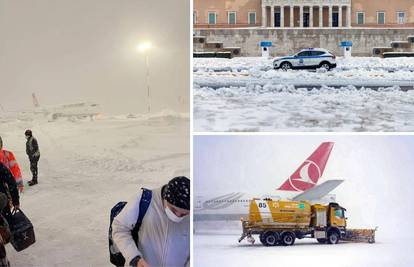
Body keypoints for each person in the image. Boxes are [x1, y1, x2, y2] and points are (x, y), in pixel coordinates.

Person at [112, 176, 190, 267]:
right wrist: (134, 258)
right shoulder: (145, 201)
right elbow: (120, 229)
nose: (177, 215)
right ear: (165, 198)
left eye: (183, 214)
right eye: (173, 209)